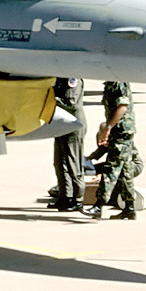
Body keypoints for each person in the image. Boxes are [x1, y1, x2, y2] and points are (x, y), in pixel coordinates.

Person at [82, 80, 138, 220]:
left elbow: (122, 107)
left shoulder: (118, 82)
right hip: (120, 132)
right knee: (125, 171)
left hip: (121, 132)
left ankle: (98, 206)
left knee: (111, 169)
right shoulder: (112, 82)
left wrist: (108, 128)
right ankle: (129, 208)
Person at [48, 77, 86, 211]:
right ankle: (65, 197)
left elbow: (72, 103)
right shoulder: (59, 77)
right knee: (59, 162)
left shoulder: (72, 78)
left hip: (73, 124)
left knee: (73, 163)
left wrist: (48, 99)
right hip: (61, 123)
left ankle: (78, 199)